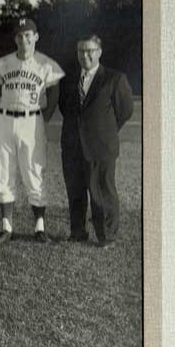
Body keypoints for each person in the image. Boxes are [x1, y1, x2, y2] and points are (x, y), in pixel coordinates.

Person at [0, 17, 64, 243]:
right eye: (20, 36)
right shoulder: (2, 64)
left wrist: (44, 117)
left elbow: (54, 92)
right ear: (15, 38)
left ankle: (39, 227)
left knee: (34, 170)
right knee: (2, 171)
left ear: (36, 37)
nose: (24, 40)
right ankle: (6, 227)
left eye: (28, 36)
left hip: (31, 120)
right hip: (4, 119)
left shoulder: (46, 64)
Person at [58, 34, 134, 248]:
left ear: (99, 52)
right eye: (81, 51)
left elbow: (125, 111)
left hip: (101, 146)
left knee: (102, 190)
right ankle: (77, 232)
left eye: (90, 50)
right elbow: (66, 108)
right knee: (75, 190)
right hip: (73, 144)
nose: (85, 55)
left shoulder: (114, 78)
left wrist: (105, 130)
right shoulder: (69, 79)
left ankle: (107, 235)